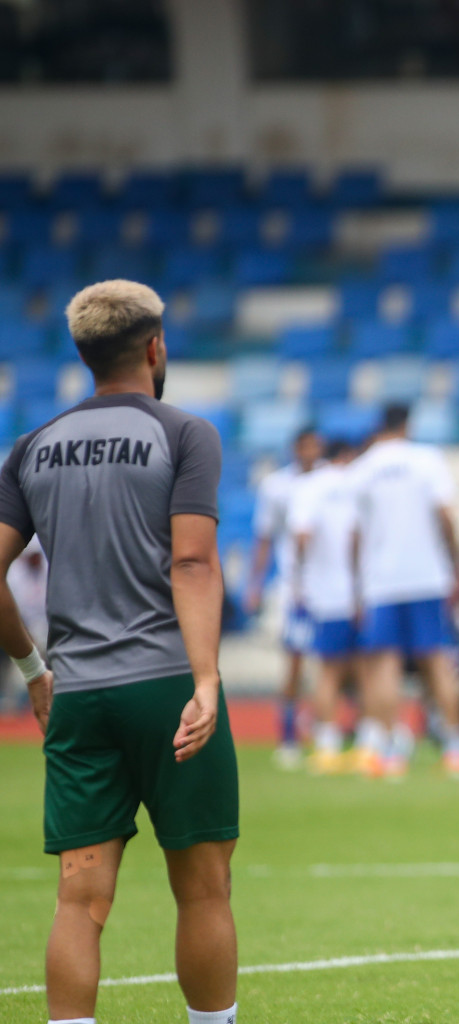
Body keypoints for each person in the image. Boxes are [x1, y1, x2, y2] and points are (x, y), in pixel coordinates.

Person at [0, 279, 239, 1024]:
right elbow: (192, 563)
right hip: (167, 683)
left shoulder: (31, 447)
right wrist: (206, 679)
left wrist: (34, 668)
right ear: (156, 346)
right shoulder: (185, 434)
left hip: (77, 695)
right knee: (201, 889)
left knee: (80, 900)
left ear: (84, 355)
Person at [350, 403, 459, 779]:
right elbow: (446, 516)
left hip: (382, 580)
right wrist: (455, 562)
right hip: (426, 575)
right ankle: (455, 748)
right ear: (408, 424)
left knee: (384, 664)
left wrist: (357, 583)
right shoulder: (427, 460)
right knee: (436, 660)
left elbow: (356, 533)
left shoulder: (363, 468)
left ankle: (391, 750)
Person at [244, 425, 322, 769]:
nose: (310, 453)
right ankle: (288, 734)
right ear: (295, 449)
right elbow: (264, 538)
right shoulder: (277, 486)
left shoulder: (332, 482)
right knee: (294, 661)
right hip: (295, 588)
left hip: (331, 587)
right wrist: (255, 584)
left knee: (337, 664)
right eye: (304, 446)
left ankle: (329, 731)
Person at [288, 437, 361, 774]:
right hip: (363, 592)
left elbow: (302, 535)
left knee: (328, 670)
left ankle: (328, 742)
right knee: (368, 668)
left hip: (326, 592)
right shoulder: (360, 482)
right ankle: (376, 741)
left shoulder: (310, 487)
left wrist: (302, 577)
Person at [0, 536, 47, 711]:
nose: (34, 560)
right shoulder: (14, 576)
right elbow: (12, 613)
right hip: (26, 635)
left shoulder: (49, 571)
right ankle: (14, 713)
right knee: (19, 680)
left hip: (51, 634)